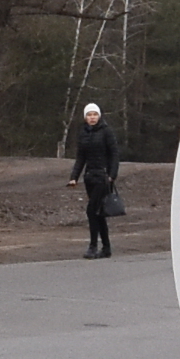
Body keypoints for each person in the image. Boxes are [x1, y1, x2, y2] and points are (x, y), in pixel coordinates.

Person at [70, 102, 125, 256]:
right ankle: (106, 248)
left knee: (91, 211)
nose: (92, 117)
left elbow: (114, 154)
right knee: (98, 213)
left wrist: (112, 175)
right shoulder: (83, 133)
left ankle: (93, 246)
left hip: (103, 177)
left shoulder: (107, 132)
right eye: (89, 115)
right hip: (90, 177)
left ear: (99, 116)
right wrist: (74, 177)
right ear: (85, 117)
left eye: (94, 114)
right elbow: (81, 157)